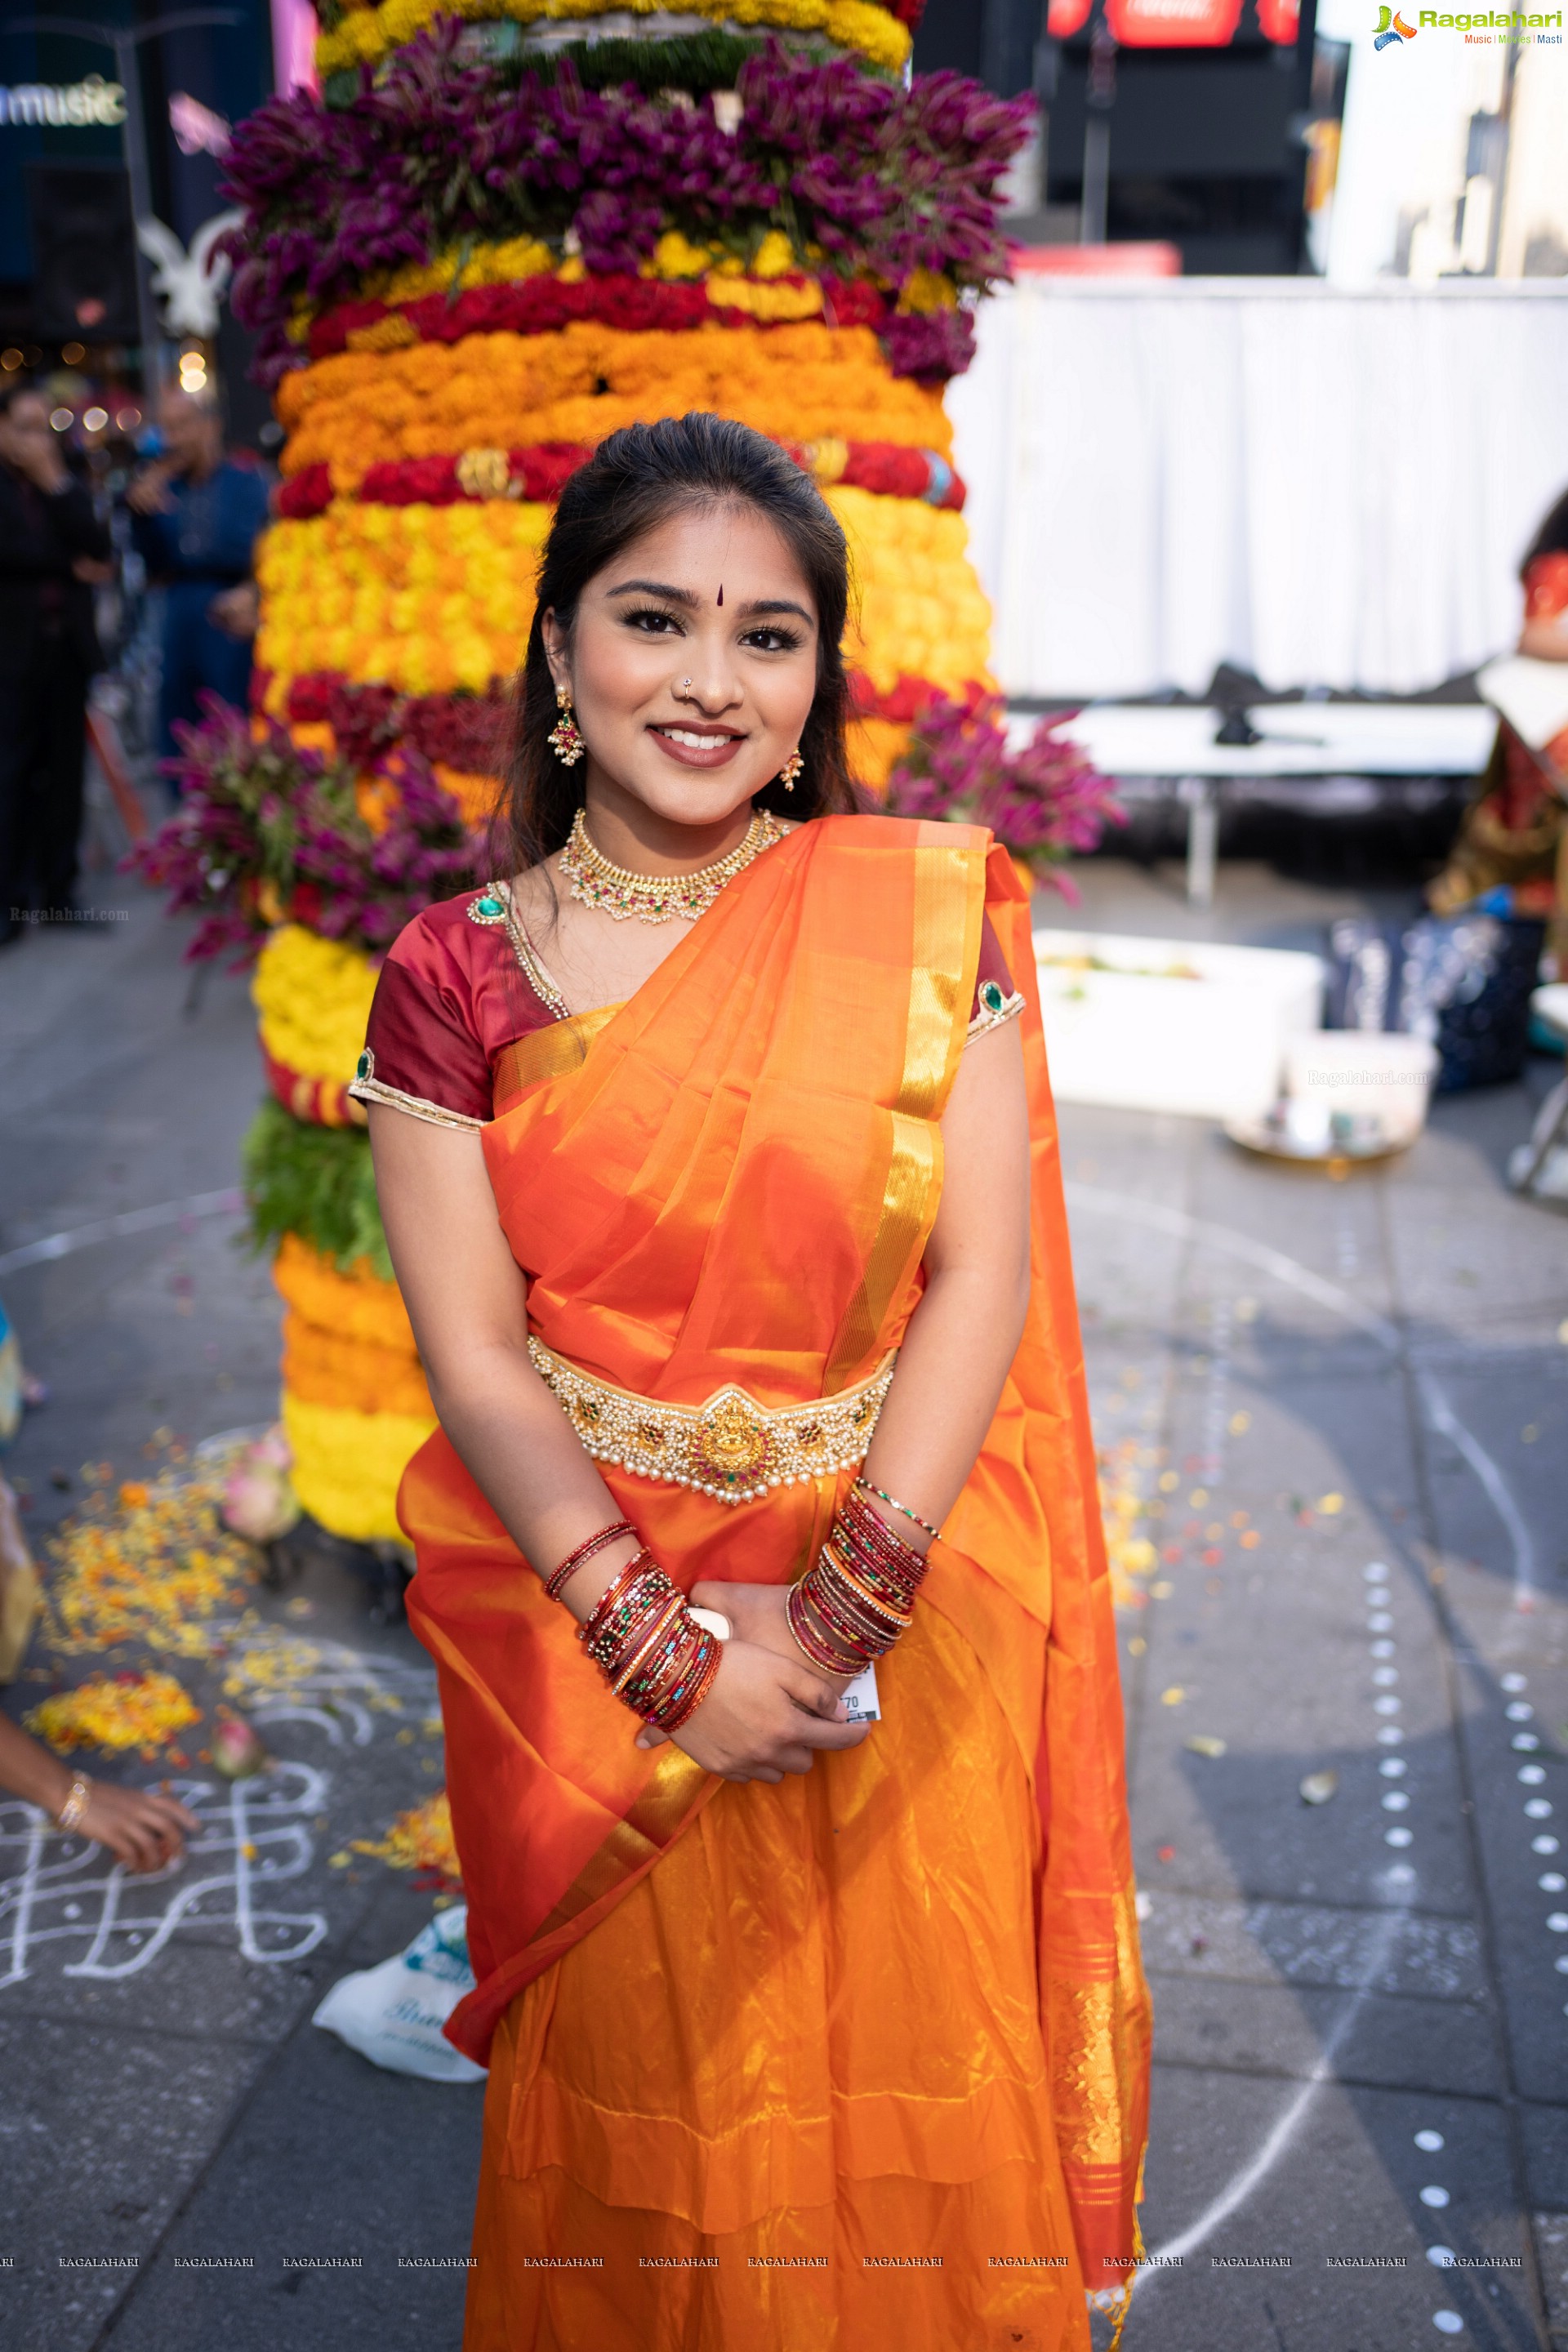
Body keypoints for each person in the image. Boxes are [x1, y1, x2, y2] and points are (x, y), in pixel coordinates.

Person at [354, 414, 1150, 2350]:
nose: (707, 681)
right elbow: (474, 1350)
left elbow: (980, 1273)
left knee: (897, 2100)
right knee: (653, 2112)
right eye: (653, 619)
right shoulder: (456, 972)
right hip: (597, 1620)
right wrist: (662, 1654)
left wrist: (837, 1608)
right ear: (559, 655)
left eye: (766, 636)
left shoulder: (914, 924)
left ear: (816, 684)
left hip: (890, 1602)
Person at [1430, 485, 1568, 966]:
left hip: (1548, 726)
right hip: (1546, 727)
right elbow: (1533, 635)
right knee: (1532, 849)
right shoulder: (1556, 567)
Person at [0, 381, 114, 944]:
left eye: (43, 427)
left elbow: (99, 545)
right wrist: (69, 569)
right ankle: (10, 898)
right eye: (22, 427)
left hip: (65, 649)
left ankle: (58, 891)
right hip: (12, 653)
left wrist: (56, 484)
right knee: (12, 773)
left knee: (67, 772)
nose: (35, 440)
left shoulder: (62, 482)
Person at [127, 386, 270, 767]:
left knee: (232, 710)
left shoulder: (246, 480)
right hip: (180, 604)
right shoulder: (165, 487)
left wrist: (250, 591)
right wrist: (141, 511)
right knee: (179, 713)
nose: (174, 440)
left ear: (210, 426)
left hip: (229, 603)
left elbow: (257, 545)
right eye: (167, 430)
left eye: (183, 426)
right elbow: (154, 565)